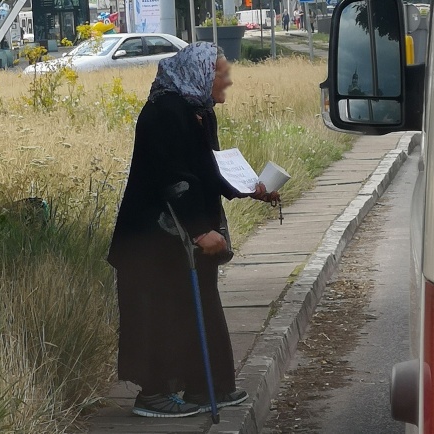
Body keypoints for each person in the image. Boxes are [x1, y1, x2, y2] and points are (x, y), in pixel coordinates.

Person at [108, 42, 280, 418]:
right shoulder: (165, 113)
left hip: (180, 239)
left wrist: (251, 189)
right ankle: (153, 395)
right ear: (202, 74)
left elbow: (208, 168)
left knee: (196, 309)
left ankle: (207, 389)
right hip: (152, 242)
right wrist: (202, 231)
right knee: (160, 315)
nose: (228, 82)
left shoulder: (198, 111)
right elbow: (172, 177)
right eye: (222, 74)